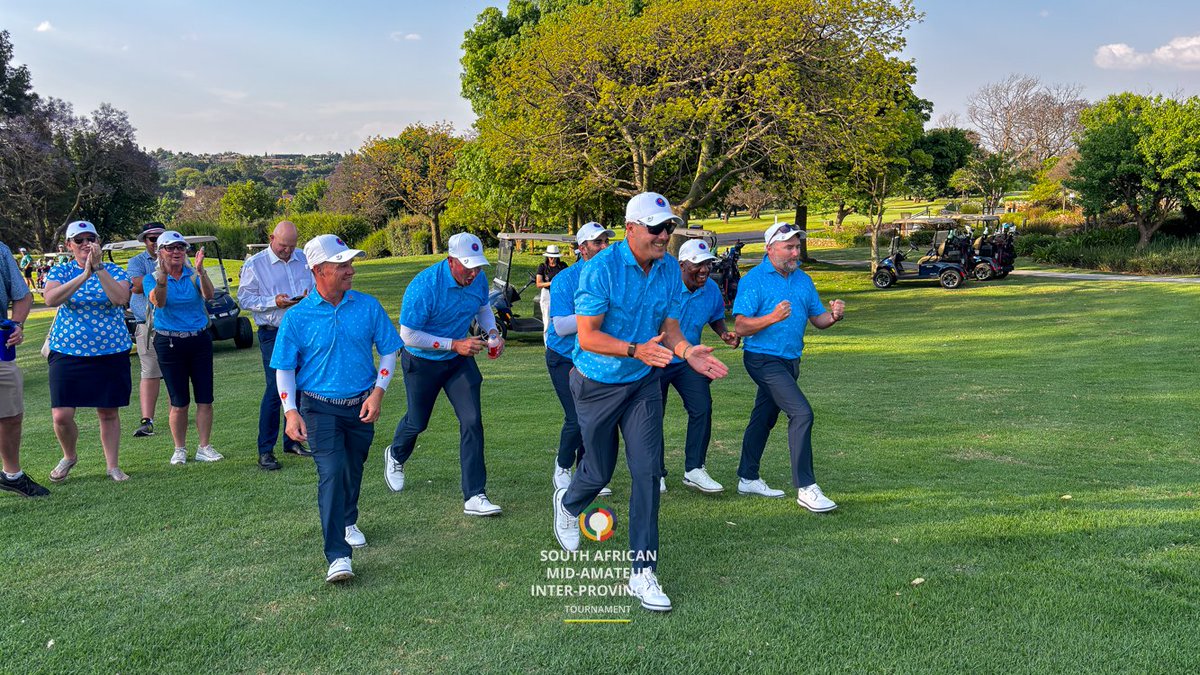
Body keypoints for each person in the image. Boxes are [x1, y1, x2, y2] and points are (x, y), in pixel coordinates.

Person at [551, 192, 729, 613]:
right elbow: (587, 336)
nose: (664, 235)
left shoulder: (667, 268)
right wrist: (635, 349)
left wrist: (686, 351)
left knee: (647, 472)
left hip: (642, 382)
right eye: (656, 228)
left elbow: (670, 326)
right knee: (598, 471)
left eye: (668, 228)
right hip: (596, 383)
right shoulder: (600, 269)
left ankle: (642, 571)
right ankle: (569, 503)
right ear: (631, 229)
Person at [272, 234, 402, 582]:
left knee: (352, 467)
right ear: (318, 270)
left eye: (350, 263)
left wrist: (378, 393)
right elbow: (284, 368)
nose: (350, 270)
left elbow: (389, 350)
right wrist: (290, 411)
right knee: (330, 472)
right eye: (341, 264)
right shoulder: (297, 317)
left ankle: (348, 519)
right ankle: (337, 556)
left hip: (361, 404)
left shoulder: (368, 306)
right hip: (319, 408)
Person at [385, 232, 504, 516]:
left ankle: (475, 494)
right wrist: (454, 344)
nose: (473, 273)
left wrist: (492, 332)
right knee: (417, 421)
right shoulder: (424, 285)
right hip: (422, 362)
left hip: (457, 361)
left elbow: (483, 308)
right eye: (468, 267)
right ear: (451, 261)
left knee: (472, 421)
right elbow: (408, 335)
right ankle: (396, 454)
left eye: (478, 267)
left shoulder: (477, 279)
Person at [732, 222, 845, 512]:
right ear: (770, 249)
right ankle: (806, 488)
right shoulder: (754, 280)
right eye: (789, 247)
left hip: (791, 360)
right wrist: (772, 317)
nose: (796, 253)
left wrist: (834, 316)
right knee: (801, 413)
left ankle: (747, 477)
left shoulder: (803, 280)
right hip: (762, 359)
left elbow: (818, 319)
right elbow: (741, 326)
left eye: (797, 247)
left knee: (764, 417)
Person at [42, 221, 134, 482]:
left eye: (90, 239)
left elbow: (120, 299)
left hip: (110, 350)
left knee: (108, 412)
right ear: (69, 245)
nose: (85, 244)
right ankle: (69, 456)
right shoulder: (61, 271)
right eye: (79, 240)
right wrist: (83, 275)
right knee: (61, 415)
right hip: (67, 351)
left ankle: (112, 466)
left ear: (98, 242)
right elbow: (50, 299)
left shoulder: (114, 270)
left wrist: (98, 268)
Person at [660, 239, 740, 494]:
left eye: (708, 264)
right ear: (682, 265)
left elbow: (715, 316)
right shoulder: (665, 287)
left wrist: (723, 333)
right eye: (698, 264)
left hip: (689, 359)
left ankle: (694, 469)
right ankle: (654, 471)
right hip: (657, 358)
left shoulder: (711, 289)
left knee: (702, 408)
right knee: (652, 415)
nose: (704, 269)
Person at [238, 220, 314, 471]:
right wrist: (274, 301)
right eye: (283, 245)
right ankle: (265, 450)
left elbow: (315, 287)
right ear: (272, 238)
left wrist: (307, 299)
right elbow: (244, 298)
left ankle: (293, 441)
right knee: (275, 389)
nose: (287, 251)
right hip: (274, 331)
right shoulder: (256, 264)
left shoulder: (303, 258)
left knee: (299, 386)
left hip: (302, 330)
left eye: (292, 246)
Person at [144, 230, 222, 465]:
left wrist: (201, 271)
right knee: (179, 400)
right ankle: (179, 449)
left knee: (205, 397)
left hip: (198, 339)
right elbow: (159, 302)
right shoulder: (152, 277)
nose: (176, 252)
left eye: (180, 247)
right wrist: (163, 277)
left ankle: (204, 447)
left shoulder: (193, 274)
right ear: (160, 252)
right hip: (169, 342)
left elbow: (209, 295)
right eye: (170, 248)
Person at [546, 223, 613, 495]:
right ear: (582, 249)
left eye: (606, 241)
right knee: (576, 417)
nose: (604, 247)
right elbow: (561, 326)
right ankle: (562, 466)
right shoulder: (565, 279)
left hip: (593, 356)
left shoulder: (612, 276)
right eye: (598, 242)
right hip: (563, 356)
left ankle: (587, 474)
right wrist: (596, 313)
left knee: (593, 418)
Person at [0, 239, 46, 497]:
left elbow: (23, 295)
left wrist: (17, 324)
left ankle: (12, 475)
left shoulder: (0, 251)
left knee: (11, 414)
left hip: (0, 346)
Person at [126, 222, 165, 438]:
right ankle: (147, 420)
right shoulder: (137, 262)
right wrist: (163, 274)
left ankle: (177, 413)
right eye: (152, 239)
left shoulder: (178, 258)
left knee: (176, 371)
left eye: (160, 238)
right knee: (150, 372)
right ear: (145, 241)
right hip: (147, 324)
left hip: (174, 324)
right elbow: (137, 285)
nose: (157, 242)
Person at [535, 244, 567, 343]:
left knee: (560, 318)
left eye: (554, 257)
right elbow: (539, 283)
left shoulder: (562, 266)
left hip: (559, 294)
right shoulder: (543, 267)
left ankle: (559, 342)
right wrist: (552, 283)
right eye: (550, 257)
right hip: (547, 294)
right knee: (547, 320)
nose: (552, 259)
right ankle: (547, 343)